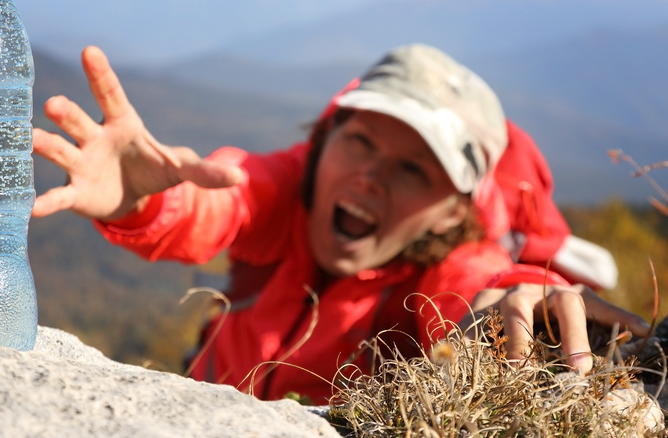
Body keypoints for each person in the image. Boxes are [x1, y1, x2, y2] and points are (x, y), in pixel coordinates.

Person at [32, 43, 649, 403]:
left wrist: (519, 303)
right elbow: (219, 199)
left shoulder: (446, 266)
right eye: (360, 142)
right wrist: (140, 202)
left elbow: (483, 286)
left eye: (414, 170)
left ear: (455, 209)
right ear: (325, 139)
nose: (370, 178)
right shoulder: (291, 190)